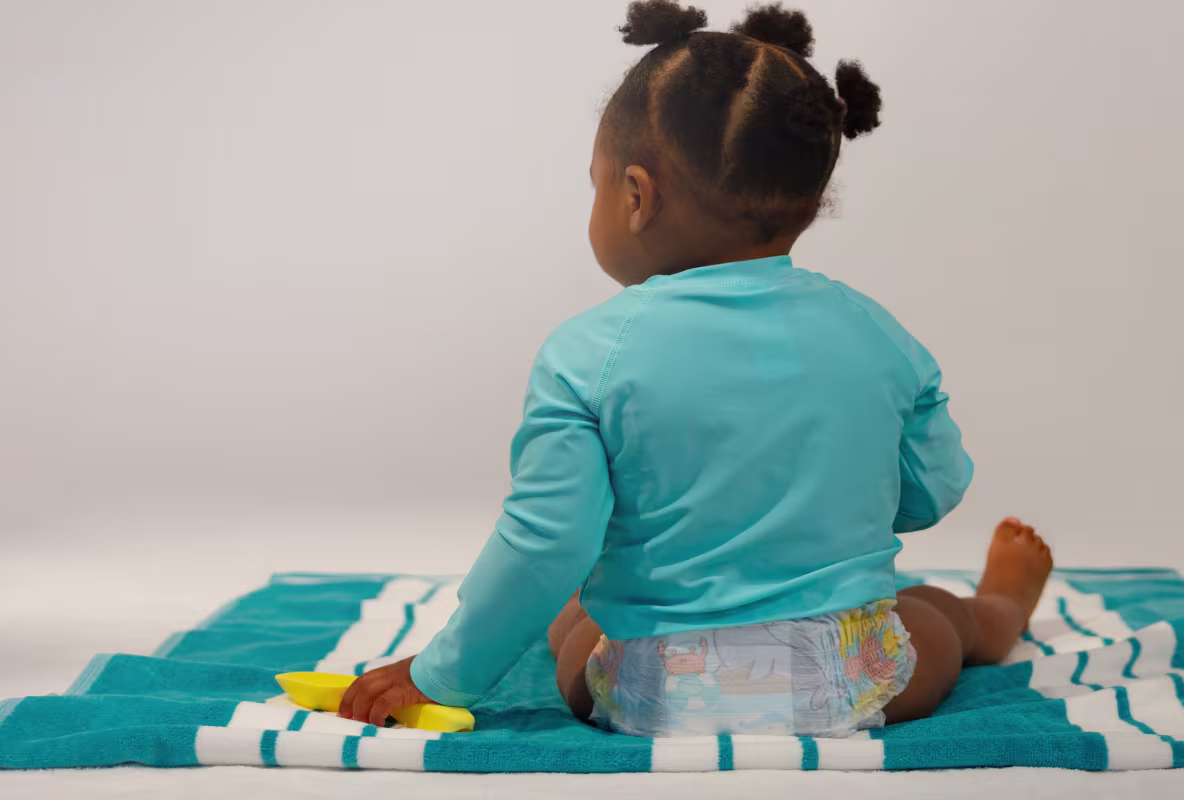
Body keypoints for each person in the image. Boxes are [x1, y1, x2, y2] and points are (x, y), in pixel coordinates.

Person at [339, 0, 1052, 738]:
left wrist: (437, 674)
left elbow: (547, 541)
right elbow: (931, 492)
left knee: (578, 611)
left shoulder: (587, 355)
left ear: (636, 196)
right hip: (849, 675)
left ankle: (583, 626)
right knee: (932, 615)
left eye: (596, 183)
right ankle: (996, 613)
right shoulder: (877, 334)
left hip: (655, 690)